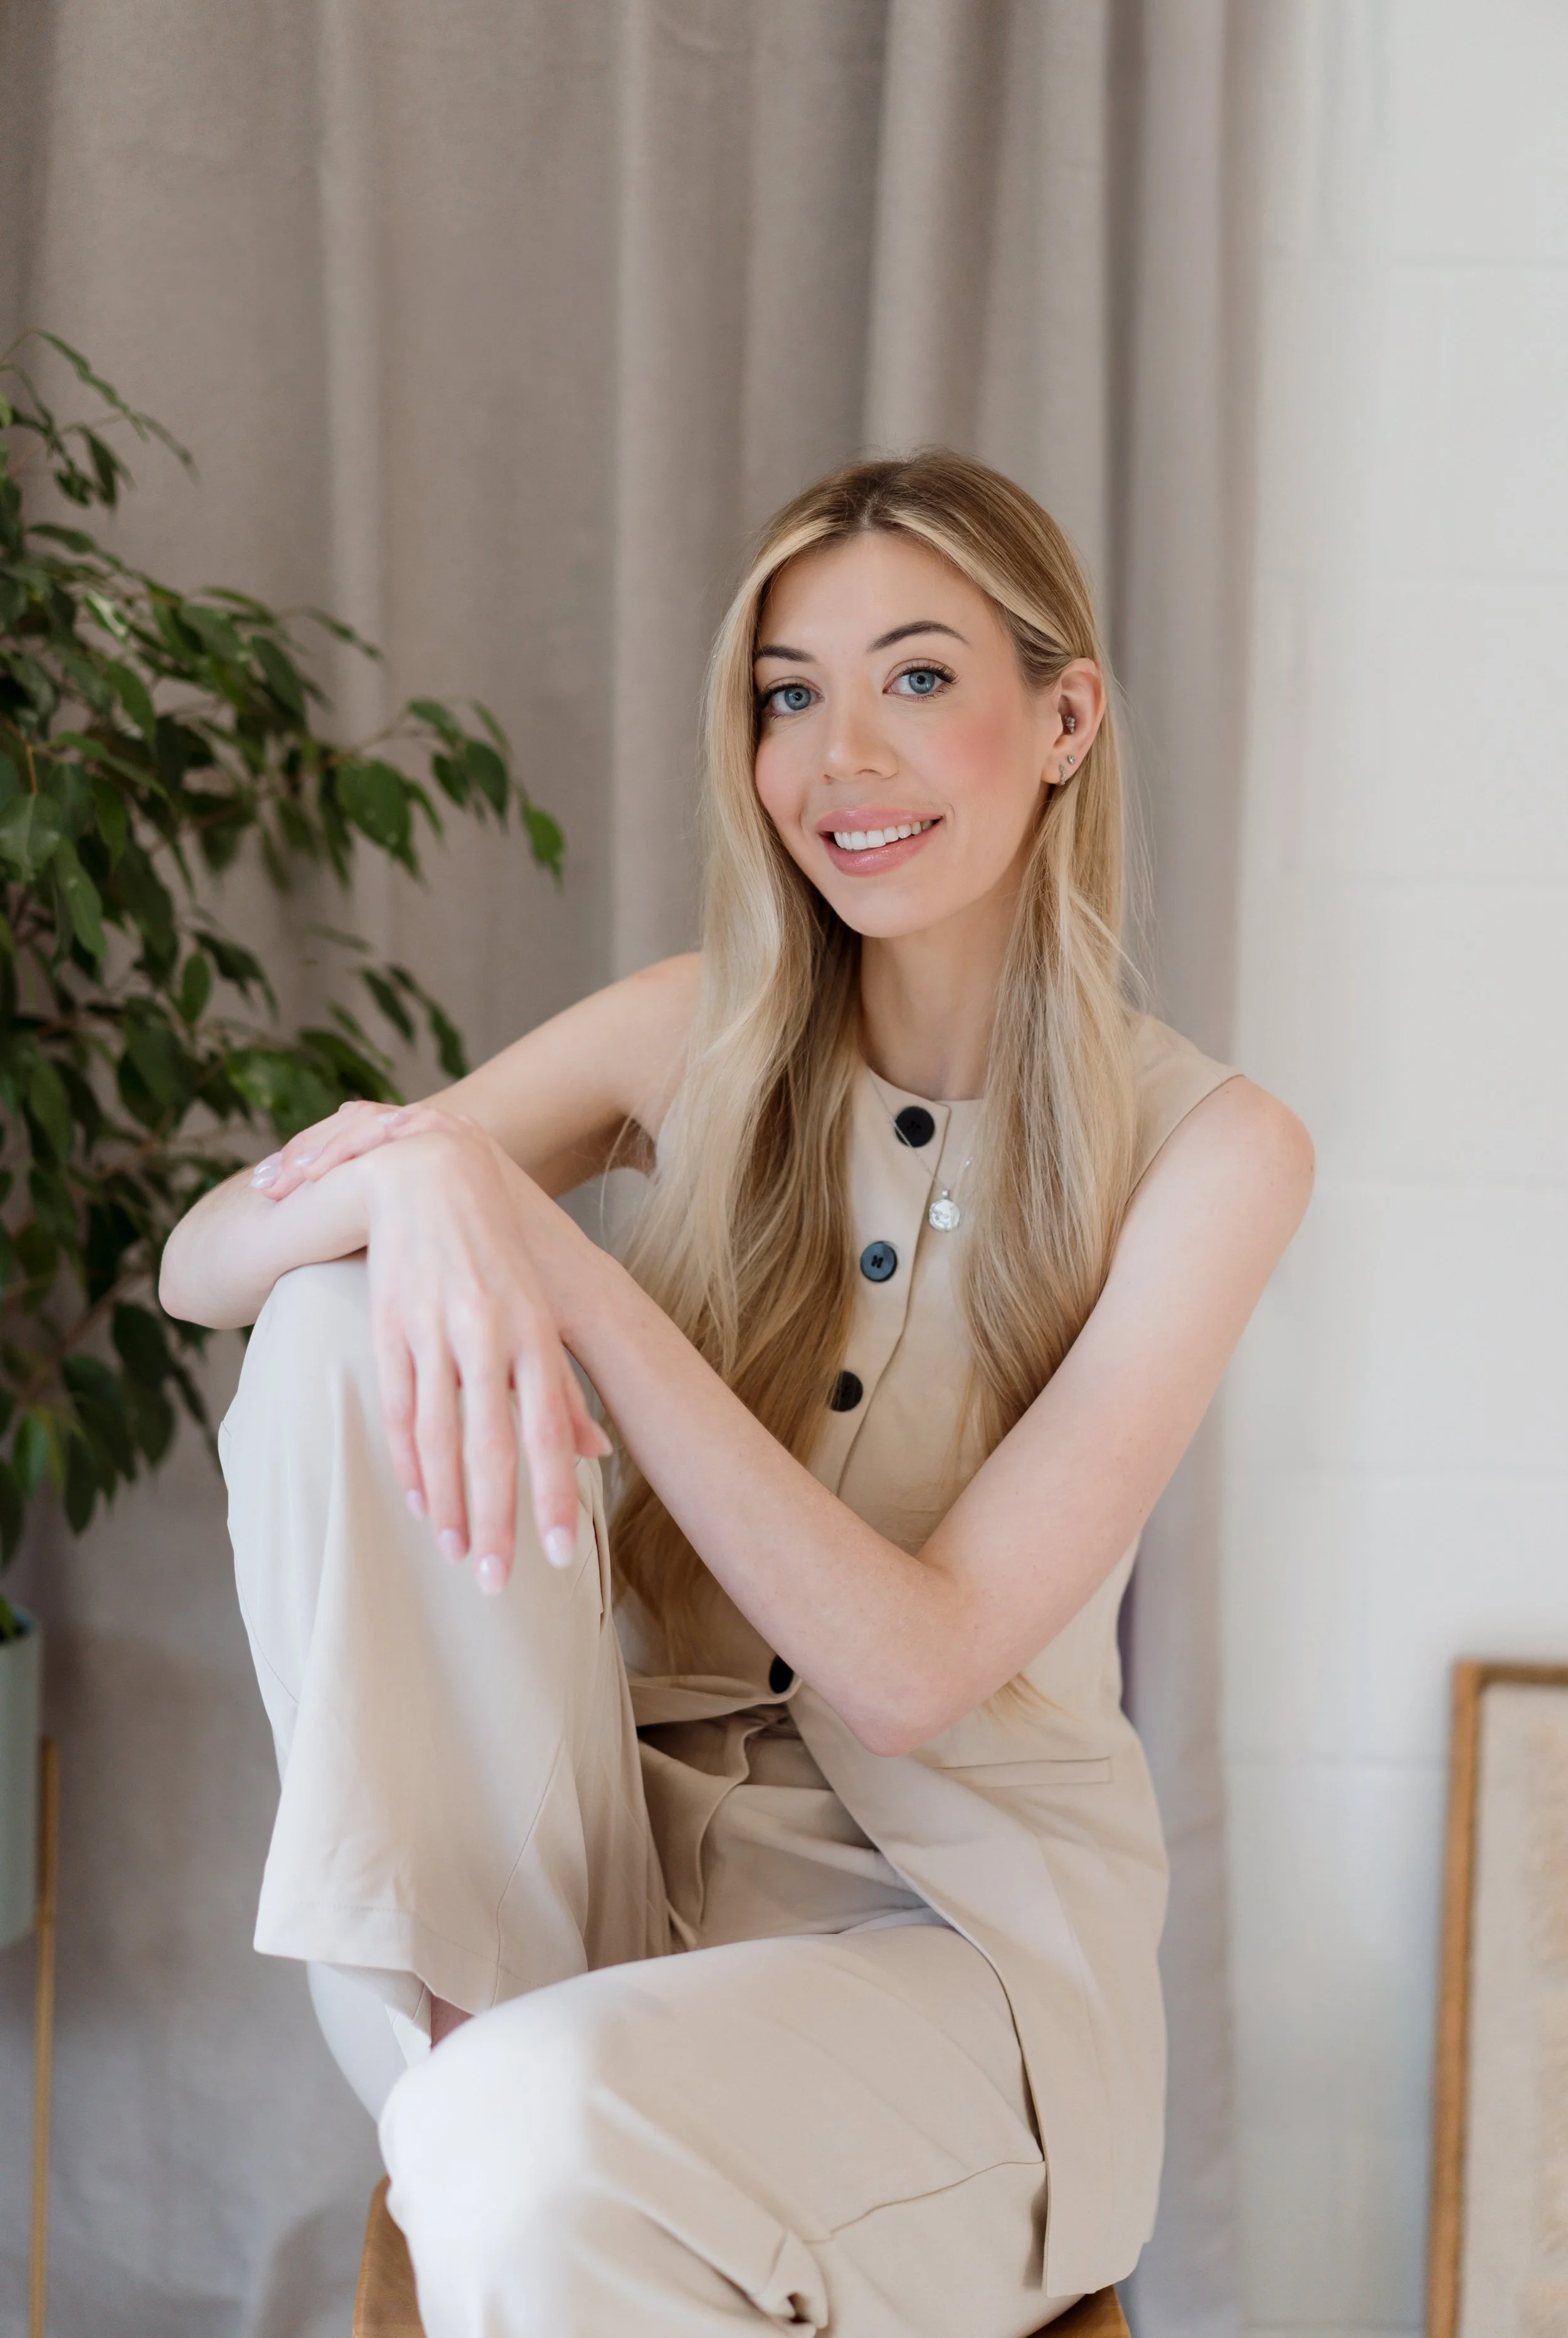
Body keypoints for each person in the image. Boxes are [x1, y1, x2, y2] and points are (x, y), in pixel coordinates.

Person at [161, 450, 1311, 2338]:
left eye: (918, 676)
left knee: (510, 2144)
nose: (840, 752)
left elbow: (914, 1668)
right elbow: (199, 1260)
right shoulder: (688, 1030)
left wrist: (586, 1290)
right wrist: (419, 1178)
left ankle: (489, 2090)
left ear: (1063, 718)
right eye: (791, 693)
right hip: (583, 1895)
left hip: (947, 1968)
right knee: (332, 1322)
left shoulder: (1209, 1152)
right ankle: (471, 2027)